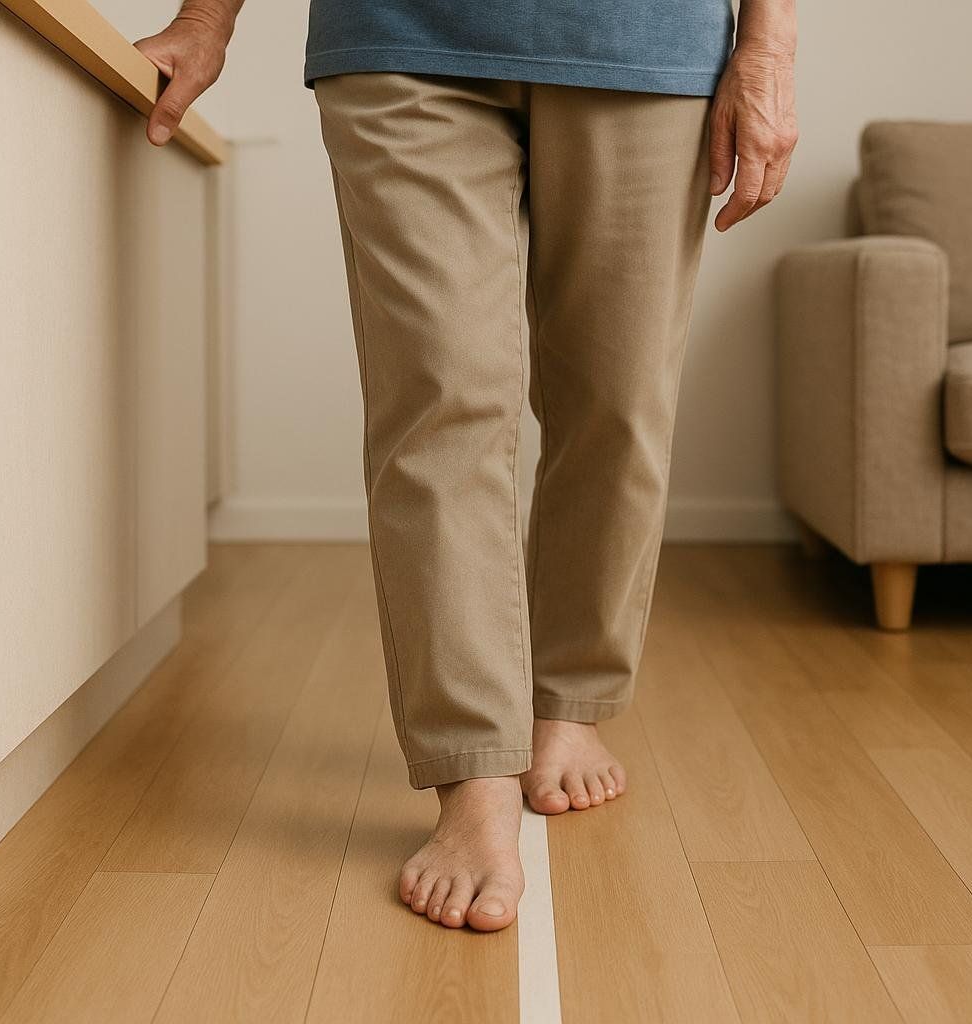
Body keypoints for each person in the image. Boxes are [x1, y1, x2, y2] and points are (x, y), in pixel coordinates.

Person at [136, 0, 798, 933]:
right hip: (401, 34)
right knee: (441, 402)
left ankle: (568, 699)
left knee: (617, 398)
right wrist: (208, 18)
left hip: (644, 41)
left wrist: (768, 46)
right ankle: (472, 777)